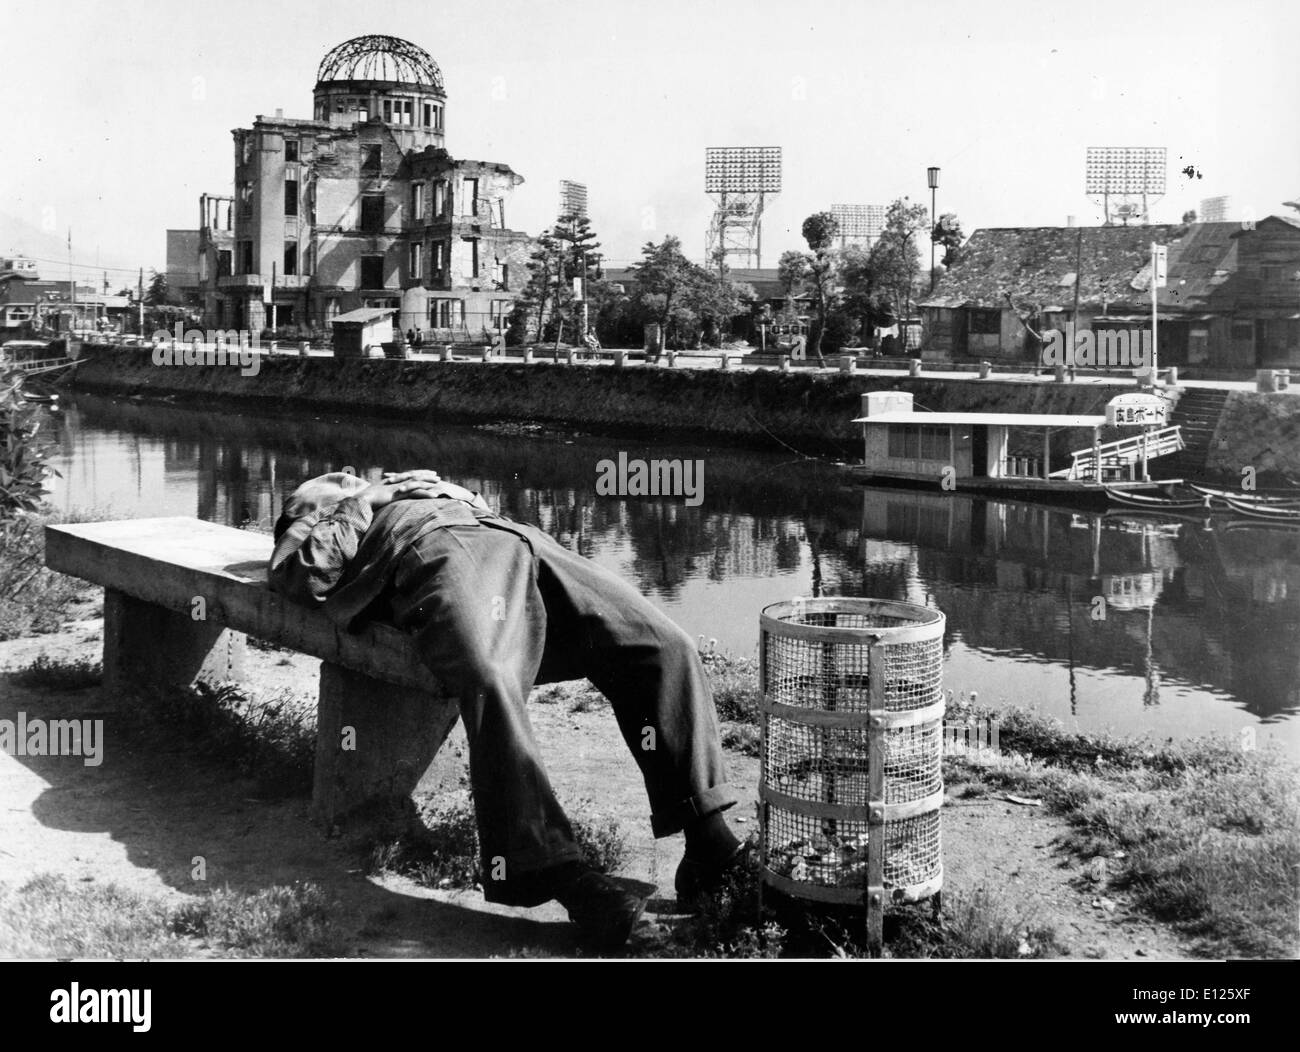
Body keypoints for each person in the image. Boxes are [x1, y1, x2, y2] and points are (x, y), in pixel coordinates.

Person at [268, 469, 745, 953]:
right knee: (490, 679)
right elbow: (299, 573)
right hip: (441, 551)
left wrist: (460, 494)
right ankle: (564, 876)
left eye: (353, 479)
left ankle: (709, 840)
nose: (349, 477)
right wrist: (366, 499)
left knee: (662, 644)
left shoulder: (406, 488)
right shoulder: (322, 510)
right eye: (340, 483)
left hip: (517, 539)